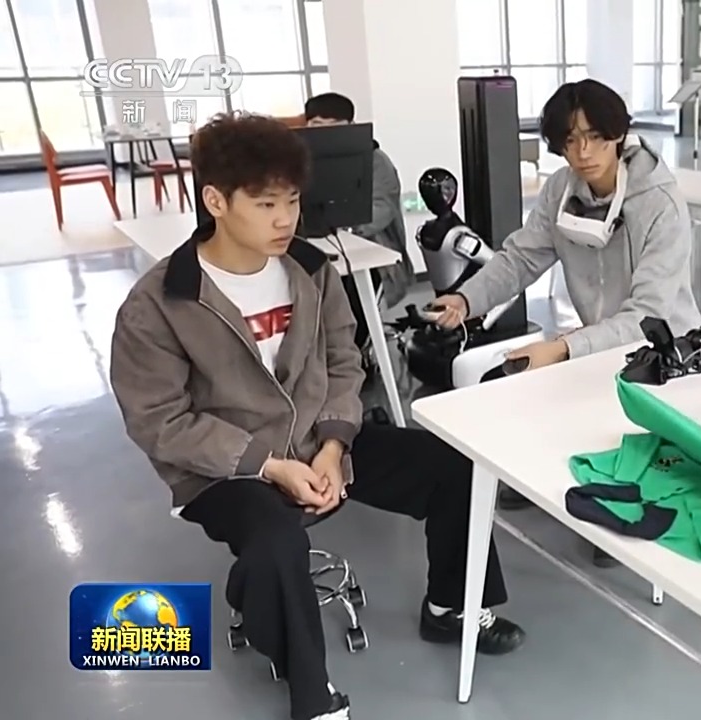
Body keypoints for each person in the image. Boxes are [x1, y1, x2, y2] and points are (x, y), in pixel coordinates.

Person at [109, 113, 525, 720]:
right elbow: (159, 421)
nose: (285, 219)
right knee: (275, 541)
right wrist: (269, 465)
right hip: (223, 469)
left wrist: (333, 446)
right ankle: (312, 695)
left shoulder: (311, 270)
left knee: (454, 465)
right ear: (216, 201)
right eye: (266, 204)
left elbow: (343, 363)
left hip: (318, 442)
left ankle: (451, 607)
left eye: (293, 201)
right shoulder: (160, 302)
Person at [430, 79, 701, 565]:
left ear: (618, 134)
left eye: (594, 137)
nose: (583, 152)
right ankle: (561, 475)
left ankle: (624, 503)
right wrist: (465, 300)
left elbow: (647, 317)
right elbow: (521, 258)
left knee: (569, 378)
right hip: (598, 340)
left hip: (666, 351)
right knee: (526, 383)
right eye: (570, 140)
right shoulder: (561, 189)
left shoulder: (659, 204)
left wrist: (563, 348)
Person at [303, 91, 414, 354]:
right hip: (320, 252)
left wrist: (341, 225)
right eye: (316, 126)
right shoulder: (302, 162)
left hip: (375, 263)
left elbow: (380, 210)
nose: (325, 135)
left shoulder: (376, 161)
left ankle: (353, 355)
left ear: (351, 127)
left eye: (334, 127)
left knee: (347, 298)